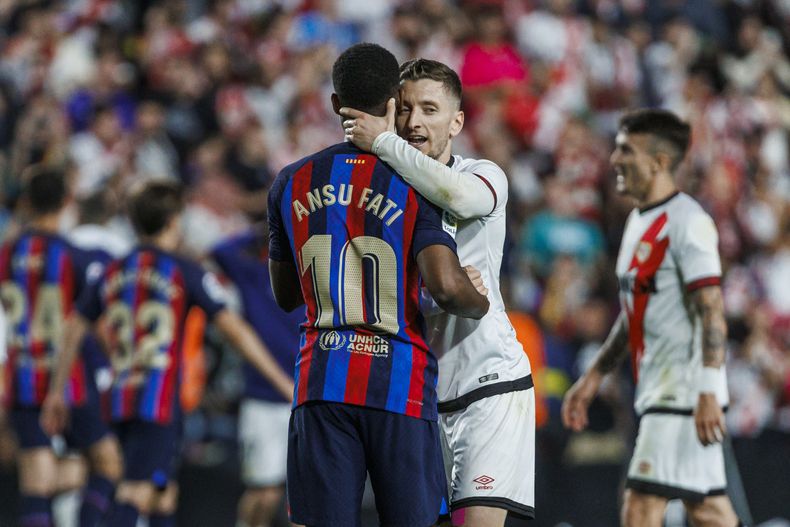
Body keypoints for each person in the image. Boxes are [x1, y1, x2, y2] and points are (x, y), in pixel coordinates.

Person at [268, 43, 490, 527]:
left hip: (322, 380)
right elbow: (448, 289)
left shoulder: (290, 181)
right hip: (398, 381)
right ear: (396, 99)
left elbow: (286, 296)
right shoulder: (414, 179)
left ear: (334, 104)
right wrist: (482, 301)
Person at [341, 58, 535, 527]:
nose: (414, 122)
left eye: (430, 109)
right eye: (405, 108)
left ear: (457, 121)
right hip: (418, 398)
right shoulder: (380, 192)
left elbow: (458, 198)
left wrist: (383, 142)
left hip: (489, 384)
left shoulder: (485, 175)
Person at [41, 180, 295, 527]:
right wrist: (284, 383)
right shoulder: (182, 270)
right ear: (174, 221)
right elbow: (235, 332)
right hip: (156, 403)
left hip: (116, 396)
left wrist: (57, 390)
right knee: (135, 492)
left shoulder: (113, 270)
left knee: (163, 495)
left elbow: (74, 327)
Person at [560, 109, 743, 526]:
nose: (613, 159)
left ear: (659, 162)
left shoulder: (688, 223)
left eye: (626, 149)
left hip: (681, 391)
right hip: (663, 391)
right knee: (708, 509)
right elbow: (633, 314)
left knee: (640, 506)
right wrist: (593, 377)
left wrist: (710, 390)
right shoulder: (637, 223)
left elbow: (711, 310)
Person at [0, 167, 123, 527]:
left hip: (22, 376)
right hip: (69, 379)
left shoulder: (6, 255)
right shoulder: (74, 256)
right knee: (109, 464)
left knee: (36, 481)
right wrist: (116, 359)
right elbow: (93, 321)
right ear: (67, 202)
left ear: (24, 202)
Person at [211, 229, 302, 527]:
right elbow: (219, 250)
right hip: (263, 397)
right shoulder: (252, 273)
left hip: (308, 397)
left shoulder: (316, 277)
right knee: (264, 492)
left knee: (306, 498)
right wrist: (262, 226)